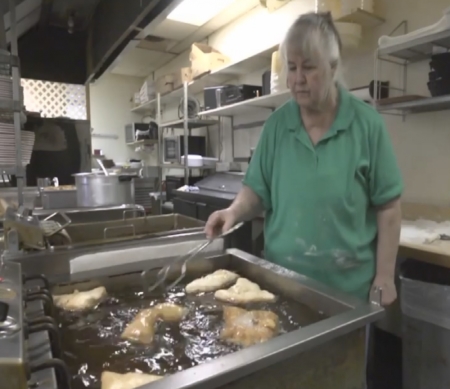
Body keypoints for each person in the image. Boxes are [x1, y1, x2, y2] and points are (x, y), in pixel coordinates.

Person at [205, 12, 402, 307]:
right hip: (282, 285)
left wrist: (384, 277)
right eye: (292, 67)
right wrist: (233, 212)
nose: (297, 79)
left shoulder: (367, 125)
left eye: (308, 68)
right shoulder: (277, 125)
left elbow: (388, 206)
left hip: (347, 293)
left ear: (333, 67)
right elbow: (257, 191)